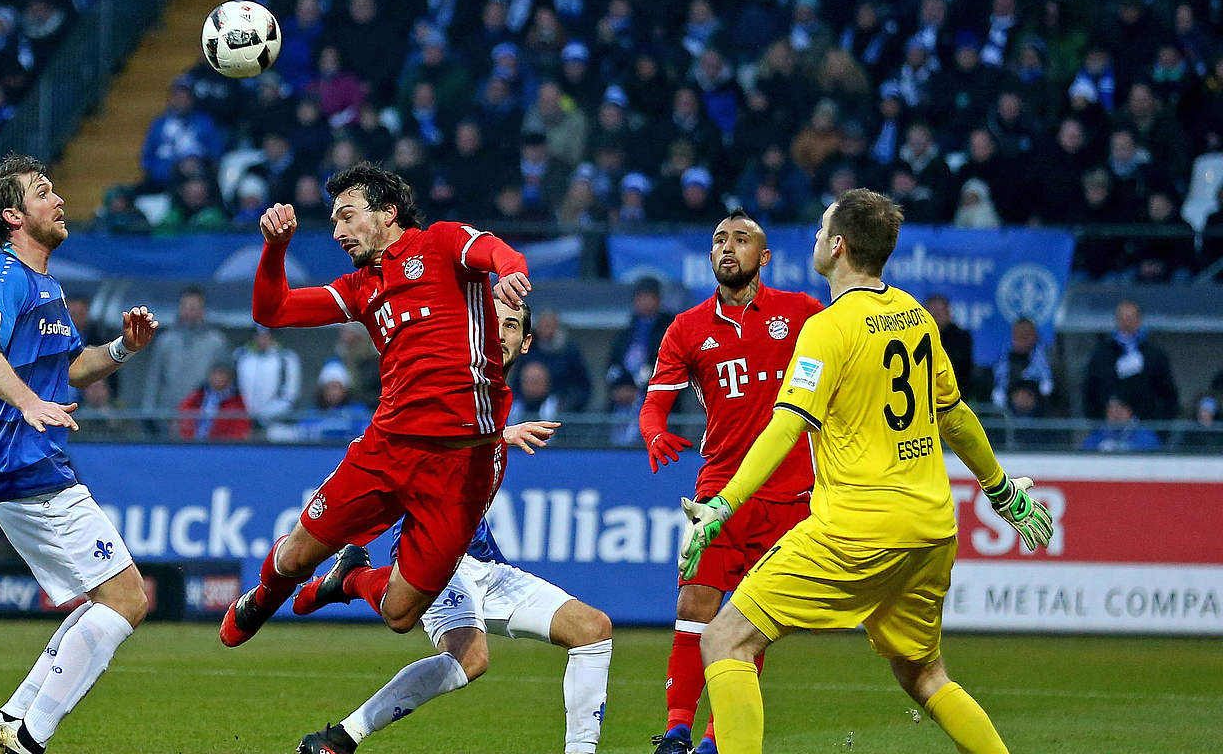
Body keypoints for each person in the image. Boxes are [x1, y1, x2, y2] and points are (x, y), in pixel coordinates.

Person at [684, 189, 1053, 754]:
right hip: (931, 529)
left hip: (856, 529)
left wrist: (723, 504)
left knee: (725, 639)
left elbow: (785, 428)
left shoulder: (828, 329)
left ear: (838, 246)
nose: (812, 237)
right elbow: (954, 417)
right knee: (925, 674)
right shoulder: (915, 317)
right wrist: (1001, 490)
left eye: (820, 229)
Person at [219, 162, 530, 650]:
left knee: (402, 613)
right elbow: (271, 310)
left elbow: (494, 249)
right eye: (334, 220)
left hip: (461, 465)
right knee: (296, 556)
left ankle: (349, 578)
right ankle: (262, 597)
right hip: (387, 450)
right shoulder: (360, 287)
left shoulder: (442, 244)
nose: (338, 231)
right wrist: (276, 248)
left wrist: (510, 271)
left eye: (347, 216)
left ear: (388, 212)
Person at [293, 299, 611, 754]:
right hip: (434, 554)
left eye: (511, 326)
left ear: (526, 343)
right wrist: (497, 435)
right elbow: (429, 425)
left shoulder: (499, 397)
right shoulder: (456, 375)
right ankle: (342, 736)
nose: (499, 332)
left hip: (484, 559)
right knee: (470, 657)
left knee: (593, 629)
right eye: (491, 322)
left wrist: (500, 432)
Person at [0, 153, 159, 754]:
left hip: (32, 464)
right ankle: (30, 736)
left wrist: (124, 349)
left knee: (108, 596)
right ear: (13, 216)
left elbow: (74, 369)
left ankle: (12, 718)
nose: (59, 200)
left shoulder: (46, 284)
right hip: (24, 462)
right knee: (128, 598)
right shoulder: (5, 275)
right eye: (43, 191)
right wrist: (26, 402)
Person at [642, 209, 823, 754]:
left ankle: (720, 737)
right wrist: (653, 433)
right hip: (718, 491)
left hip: (789, 493)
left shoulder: (803, 314)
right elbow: (655, 405)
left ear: (763, 257)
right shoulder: (687, 327)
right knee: (694, 604)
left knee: (752, 618)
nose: (727, 247)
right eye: (719, 239)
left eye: (741, 240)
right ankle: (676, 729)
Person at [140, 285, 228, 422]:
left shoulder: (216, 342)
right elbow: (154, 379)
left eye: (194, 307)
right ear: (180, 308)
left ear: (202, 310)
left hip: (204, 417)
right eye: (186, 306)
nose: (190, 311)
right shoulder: (166, 341)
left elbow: (225, 383)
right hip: (169, 416)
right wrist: (148, 413)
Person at [1083, 300, 1179, 421]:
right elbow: (1091, 389)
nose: (1126, 323)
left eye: (1130, 318)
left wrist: (1159, 427)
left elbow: (1167, 393)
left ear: (1139, 320)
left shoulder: (1154, 354)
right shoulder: (1102, 353)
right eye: (1122, 318)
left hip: (1146, 426)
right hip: (1107, 427)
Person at [234, 324, 301, 425]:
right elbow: (234, 388)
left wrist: (264, 416)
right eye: (258, 336)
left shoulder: (286, 358)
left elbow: (290, 394)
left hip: (276, 421)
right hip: (244, 420)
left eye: (266, 336)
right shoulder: (240, 356)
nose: (262, 340)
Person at [175, 363, 251, 441]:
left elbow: (240, 428)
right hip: (193, 443)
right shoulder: (198, 395)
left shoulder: (236, 401)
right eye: (215, 374)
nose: (218, 378)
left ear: (229, 378)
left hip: (220, 445)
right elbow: (182, 413)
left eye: (221, 374)